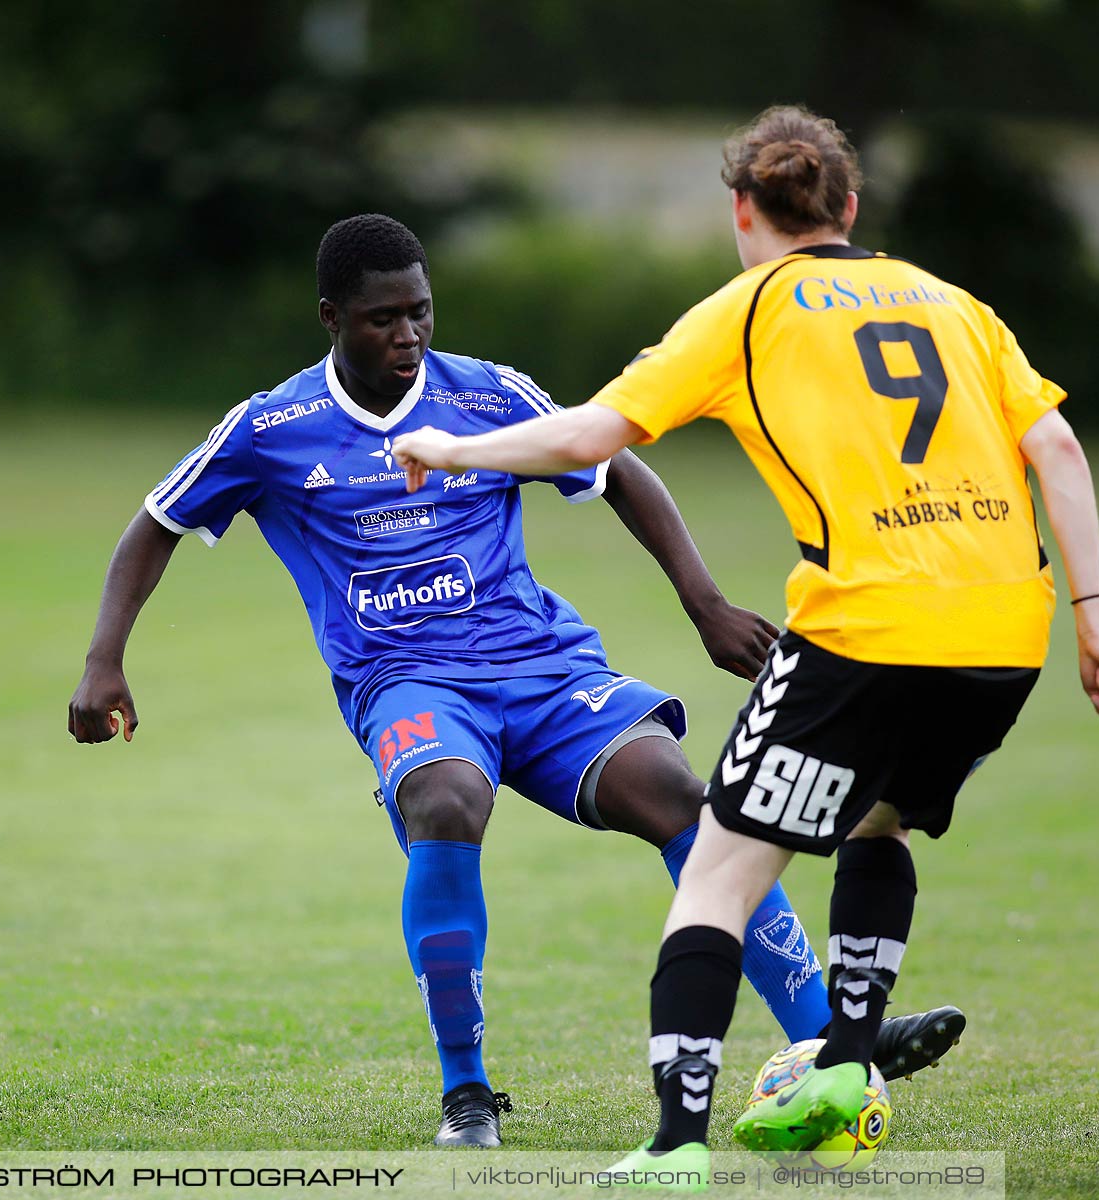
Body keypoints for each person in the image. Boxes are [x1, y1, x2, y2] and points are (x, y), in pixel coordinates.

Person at [69, 213, 965, 1149]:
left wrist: (702, 603)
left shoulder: (489, 394)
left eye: (420, 313)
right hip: (406, 680)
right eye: (383, 319)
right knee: (448, 803)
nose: (409, 336)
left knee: (685, 798)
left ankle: (829, 1040)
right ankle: (467, 1096)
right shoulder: (273, 428)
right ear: (331, 317)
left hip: (539, 665)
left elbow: (616, 471)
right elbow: (155, 521)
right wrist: (104, 660)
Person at [391, 107, 1099, 1176]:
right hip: (1002, 631)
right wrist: (1097, 621)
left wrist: (451, 447)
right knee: (878, 822)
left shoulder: (749, 310)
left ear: (743, 210)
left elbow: (586, 437)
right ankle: (841, 1058)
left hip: (866, 624)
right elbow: (1056, 446)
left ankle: (674, 1145)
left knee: (717, 871)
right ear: (850, 205)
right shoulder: (957, 306)